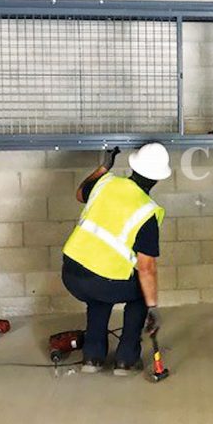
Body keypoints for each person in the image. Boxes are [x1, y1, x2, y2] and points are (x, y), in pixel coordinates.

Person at [61, 143, 171, 376]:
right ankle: (126, 359)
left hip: (71, 274)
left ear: (133, 166)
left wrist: (103, 167)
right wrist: (153, 307)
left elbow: (80, 193)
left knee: (100, 293)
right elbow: (146, 268)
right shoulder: (147, 212)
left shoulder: (106, 183)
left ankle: (93, 356)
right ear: (158, 179)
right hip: (100, 282)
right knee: (141, 292)